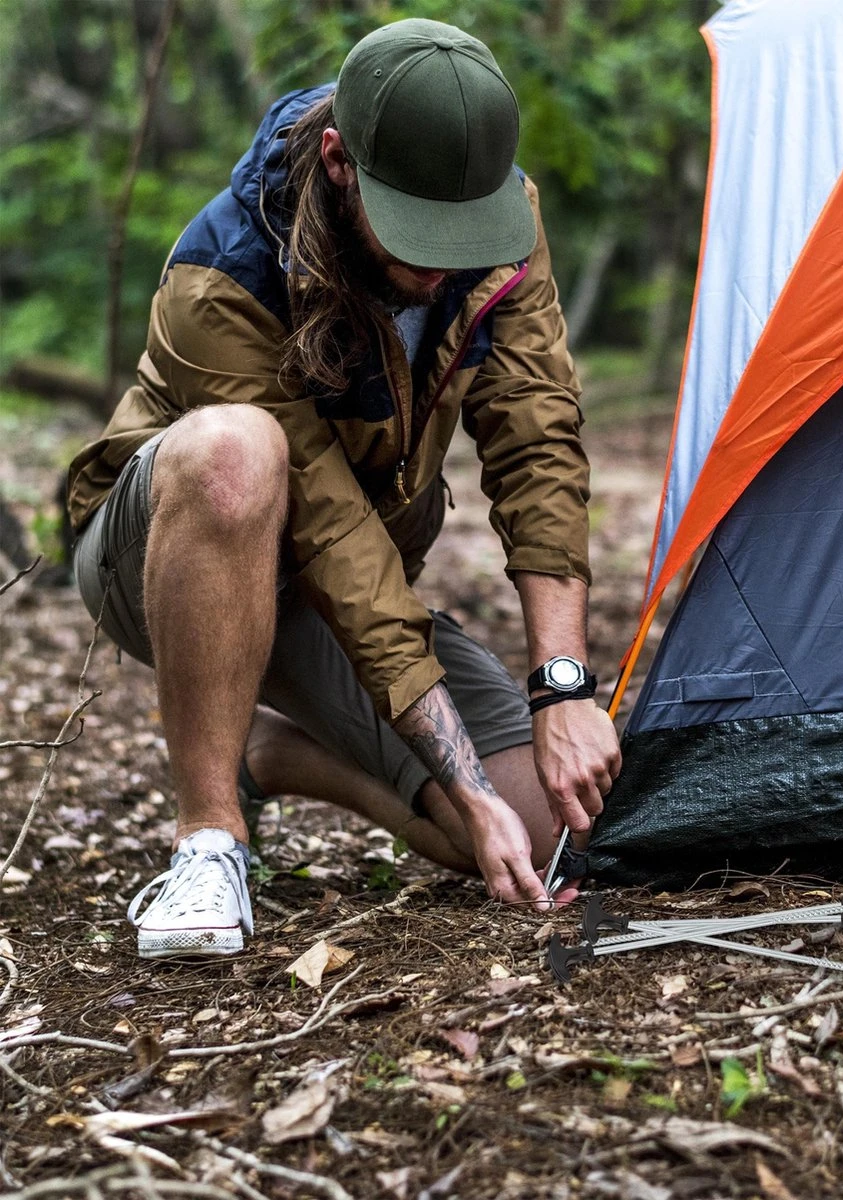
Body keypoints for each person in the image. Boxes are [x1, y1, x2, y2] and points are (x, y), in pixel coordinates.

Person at [65, 18, 622, 960]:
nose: (441, 261)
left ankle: (270, 753)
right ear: (337, 162)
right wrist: (461, 783)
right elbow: (332, 534)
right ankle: (209, 838)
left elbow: (537, 440)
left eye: (461, 230)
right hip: (165, 553)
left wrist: (559, 687)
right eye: (415, 231)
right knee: (236, 451)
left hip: (330, 589)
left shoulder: (501, 221)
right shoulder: (222, 279)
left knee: (546, 834)